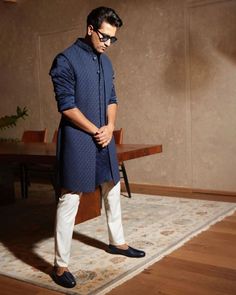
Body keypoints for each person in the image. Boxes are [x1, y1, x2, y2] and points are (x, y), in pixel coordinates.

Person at [49, 6, 145, 289]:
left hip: (103, 135)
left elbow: (112, 99)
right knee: (70, 198)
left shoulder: (106, 62)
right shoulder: (65, 60)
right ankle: (60, 265)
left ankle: (118, 243)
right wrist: (95, 131)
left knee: (112, 187)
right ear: (90, 29)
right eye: (104, 37)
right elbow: (66, 106)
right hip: (78, 138)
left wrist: (110, 127)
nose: (108, 43)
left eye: (113, 39)